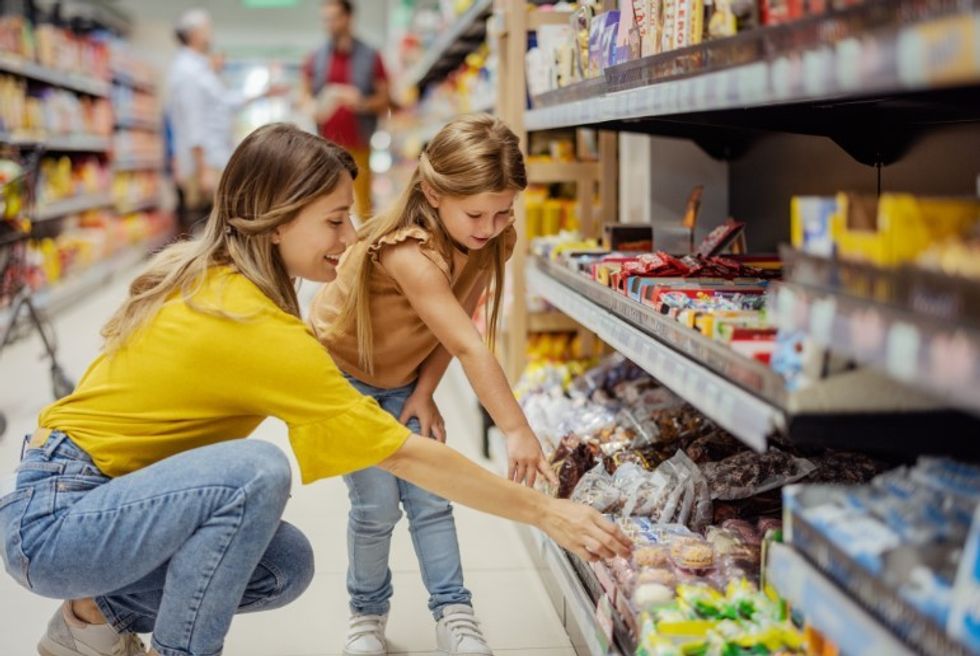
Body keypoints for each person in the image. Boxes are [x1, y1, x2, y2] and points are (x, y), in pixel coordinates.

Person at [0, 123, 630, 656]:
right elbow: (404, 453)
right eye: (333, 220)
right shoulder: (249, 322)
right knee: (254, 471)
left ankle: (91, 618)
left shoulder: (224, 282)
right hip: (56, 520)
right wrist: (550, 512)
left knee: (285, 566)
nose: (350, 237)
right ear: (275, 222)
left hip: (91, 503)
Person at [309, 114, 556, 656]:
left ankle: (455, 613)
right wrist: (515, 428)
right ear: (432, 194)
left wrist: (423, 391)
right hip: (342, 380)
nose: (490, 226)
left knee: (433, 499)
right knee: (375, 509)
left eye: (503, 211)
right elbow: (472, 344)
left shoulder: (490, 240)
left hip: (401, 377)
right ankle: (366, 617)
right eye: (475, 213)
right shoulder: (407, 253)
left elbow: (458, 323)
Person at [166, 8, 283, 235]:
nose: (211, 34)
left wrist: (263, 94)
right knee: (207, 226)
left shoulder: (200, 68)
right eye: (207, 29)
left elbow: (225, 102)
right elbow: (194, 122)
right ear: (193, 34)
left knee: (217, 224)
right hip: (204, 162)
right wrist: (203, 169)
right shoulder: (187, 71)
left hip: (214, 158)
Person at [300, 0, 390, 219]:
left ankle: (365, 251)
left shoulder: (370, 55)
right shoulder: (316, 56)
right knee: (328, 205)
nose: (329, 24)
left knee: (363, 206)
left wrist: (360, 102)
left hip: (359, 143)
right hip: (326, 145)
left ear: (348, 18)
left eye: (334, 18)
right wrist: (311, 106)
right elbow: (303, 94)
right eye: (326, 19)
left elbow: (384, 100)